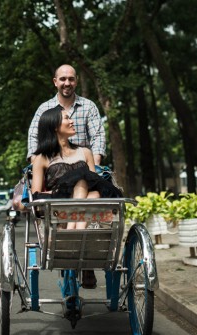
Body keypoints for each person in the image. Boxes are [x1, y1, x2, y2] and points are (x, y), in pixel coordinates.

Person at [31, 106, 122, 288]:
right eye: (66, 118)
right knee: (80, 182)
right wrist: (63, 189)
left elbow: (94, 181)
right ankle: (73, 234)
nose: (72, 121)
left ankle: (74, 236)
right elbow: (36, 196)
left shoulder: (85, 152)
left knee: (90, 187)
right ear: (55, 126)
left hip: (87, 211)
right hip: (59, 211)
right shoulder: (41, 158)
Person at [27, 64, 105, 165]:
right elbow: (34, 137)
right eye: (63, 79)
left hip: (84, 165)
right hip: (52, 167)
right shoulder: (43, 109)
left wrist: (94, 168)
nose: (67, 83)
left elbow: (98, 136)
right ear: (55, 82)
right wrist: (37, 165)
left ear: (76, 81)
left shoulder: (89, 106)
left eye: (71, 79)